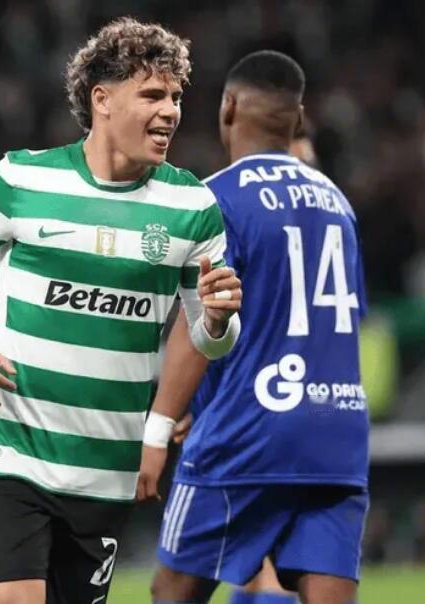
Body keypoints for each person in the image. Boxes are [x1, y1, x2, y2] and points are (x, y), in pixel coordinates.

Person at [0, 17, 242, 604]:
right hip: (15, 453)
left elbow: (208, 336)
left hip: (107, 467)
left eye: (175, 97)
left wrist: (219, 321)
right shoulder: (20, 178)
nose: (170, 111)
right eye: (152, 95)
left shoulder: (193, 206)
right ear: (102, 99)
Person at [138, 51, 370, 604]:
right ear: (298, 118)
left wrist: (162, 424)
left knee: (172, 593)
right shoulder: (338, 204)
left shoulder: (217, 197)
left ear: (228, 107)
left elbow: (203, 320)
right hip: (336, 432)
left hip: (249, 431)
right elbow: (335, 323)